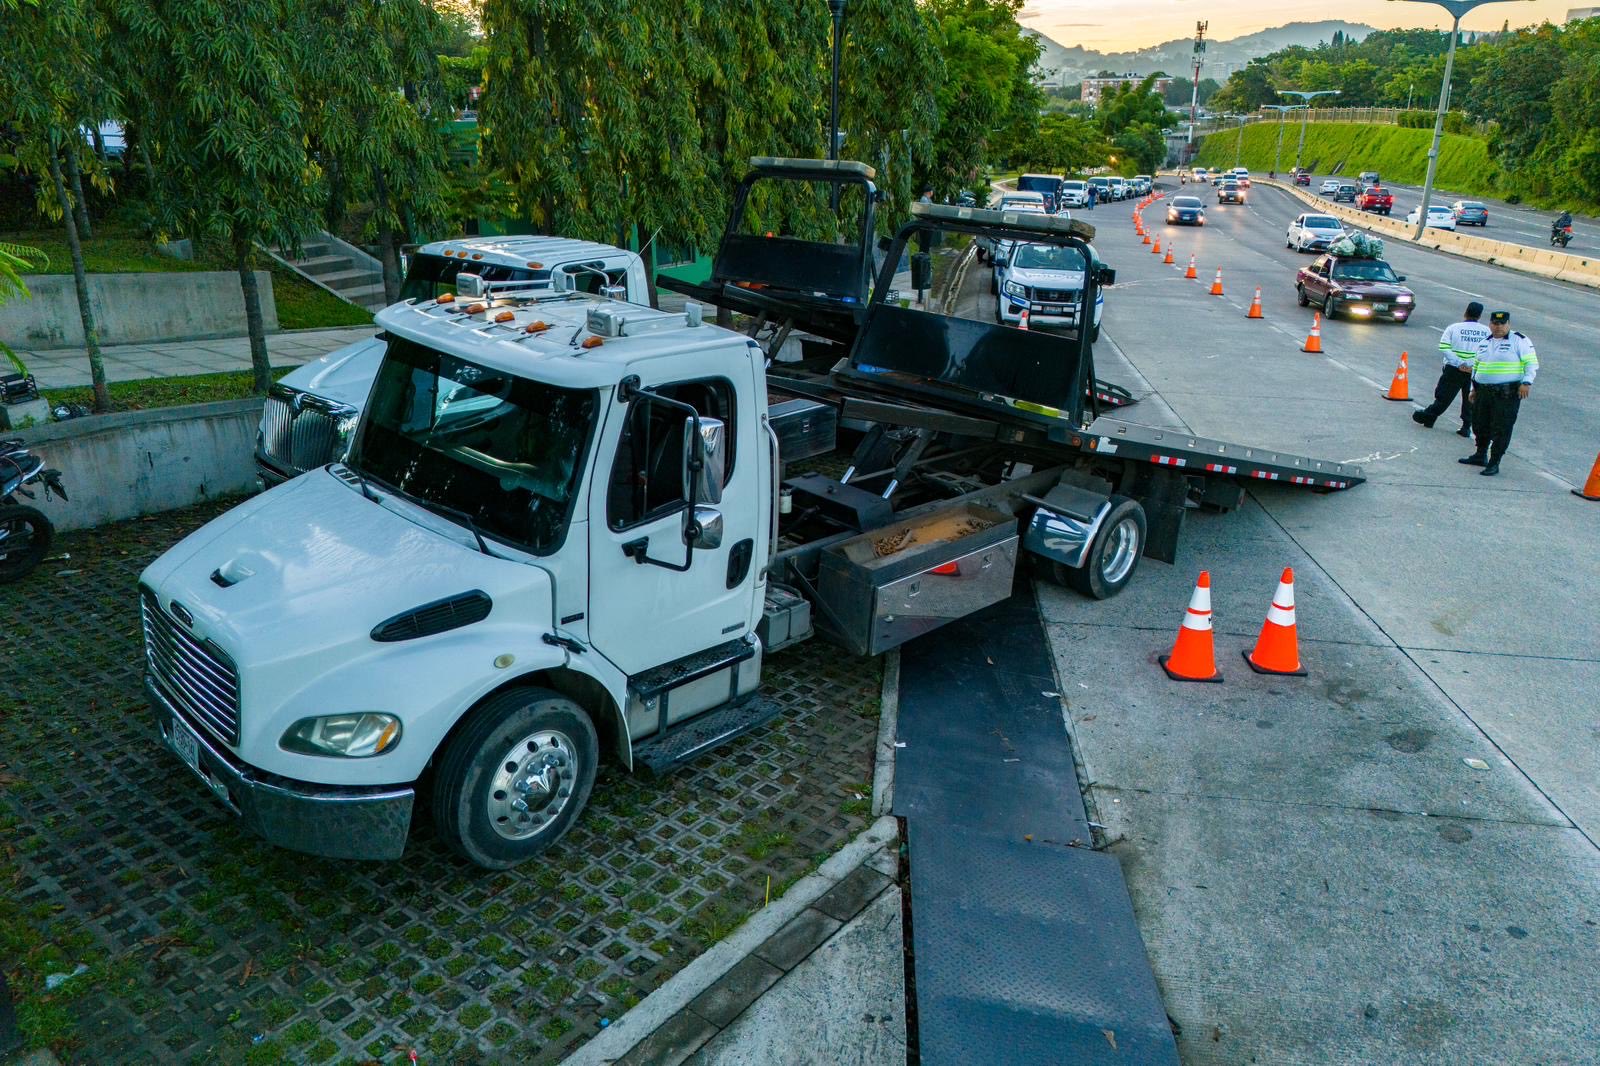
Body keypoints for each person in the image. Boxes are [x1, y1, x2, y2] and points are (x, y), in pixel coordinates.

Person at [1459, 310, 1537, 477]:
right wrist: (1474, 389)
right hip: (1484, 391)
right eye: (1495, 323)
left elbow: (1531, 363)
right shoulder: (1485, 342)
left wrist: (1526, 382)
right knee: (1480, 424)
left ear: (1508, 324)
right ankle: (1480, 455)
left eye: (1502, 324)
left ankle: (1494, 462)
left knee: (1501, 428)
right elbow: (1478, 365)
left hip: (1506, 393)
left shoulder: (1519, 340)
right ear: (1490, 324)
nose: (1498, 327)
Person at [1414, 301, 1488, 437]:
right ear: (1480, 316)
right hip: (1474, 371)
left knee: (1443, 397)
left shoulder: (1454, 328)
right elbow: (1487, 352)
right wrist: (1471, 365)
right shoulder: (1486, 332)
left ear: (1465, 312)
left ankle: (1429, 417)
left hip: (1453, 369)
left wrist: (1459, 363)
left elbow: (1444, 347)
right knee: (1470, 399)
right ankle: (1466, 427)